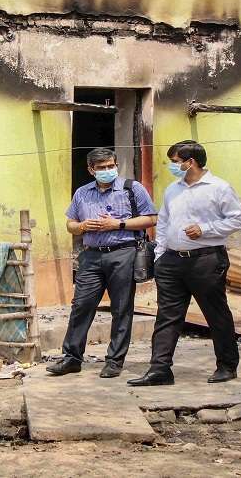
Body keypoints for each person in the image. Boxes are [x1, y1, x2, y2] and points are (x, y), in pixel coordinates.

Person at [128, 141, 241, 387]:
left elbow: (238, 219)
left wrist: (206, 229)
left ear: (189, 162)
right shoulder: (173, 189)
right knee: (167, 316)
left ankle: (226, 365)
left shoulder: (219, 188)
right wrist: (160, 255)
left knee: (216, 314)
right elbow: (163, 222)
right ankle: (160, 369)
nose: (172, 166)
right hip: (171, 261)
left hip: (206, 259)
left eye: (175, 161)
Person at [48, 148, 157, 378]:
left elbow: (151, 218)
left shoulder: (132, 189)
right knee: (81, 306)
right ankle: (71, 358)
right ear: (91, 170)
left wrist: (118, 224)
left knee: (121, 308)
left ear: (116, 165)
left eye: (110, 166)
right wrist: (82, 227)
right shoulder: (82, 193)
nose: (107, 171)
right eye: (101, 168)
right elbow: (71, 223)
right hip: (91, 255)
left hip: (123, 252)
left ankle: (114, 361)